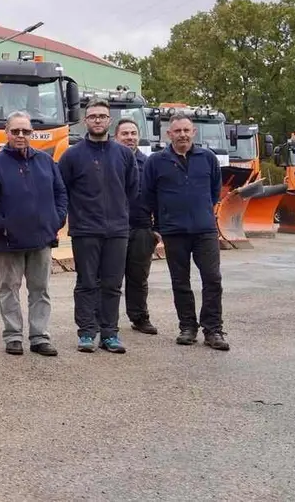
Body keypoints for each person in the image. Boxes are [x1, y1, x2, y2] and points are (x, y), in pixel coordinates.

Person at [0, 113, 66, 357]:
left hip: (42, 238)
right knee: (10, 288)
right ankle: (13, 336)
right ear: (6, 133)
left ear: (31, 133)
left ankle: (39, 337)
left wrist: (56, 220)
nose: (20, 136)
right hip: (9, 240)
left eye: (25, 131)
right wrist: (2, 224)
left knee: (40, 289)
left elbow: (61, 193)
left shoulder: (46, 161)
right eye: (15, 131)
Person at [59, 99, 137, 354]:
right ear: (85, 121)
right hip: (85, 230)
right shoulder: (72, 155)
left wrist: (120, 216)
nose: (97, 120)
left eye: (102, 116)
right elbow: (62, 189)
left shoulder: (124, 155)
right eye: (92, 116)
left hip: (117, 230)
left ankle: (109, 334)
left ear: (109, 121)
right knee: (86, 282)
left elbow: (131, 189)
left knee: (113, 284)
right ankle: (86, 333)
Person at [143, 114, 228, 350]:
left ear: (194, 133)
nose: (182, 134)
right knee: (180, 282)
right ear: (168, 134)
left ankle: (213, 330)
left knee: (212, 279)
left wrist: (201, 212)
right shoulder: (156, 162)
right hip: (174, 232)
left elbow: (214, 191)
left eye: (186, 130)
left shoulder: (208, 158)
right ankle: (187, 327)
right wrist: (158, 225)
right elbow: (148, 195)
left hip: (204, 231)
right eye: (177, 131)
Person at [115, 119, 159, 335]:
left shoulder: (149, 164)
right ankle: (106, 319)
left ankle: (139, 317)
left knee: (138, 276)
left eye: (133, 133)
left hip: (142, 227)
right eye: (125, 134)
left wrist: (157, 228)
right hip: (113, 228)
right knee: (109, 277)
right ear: (116, 137)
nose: (130, 137)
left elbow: (160, 196)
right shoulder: (109, 161)